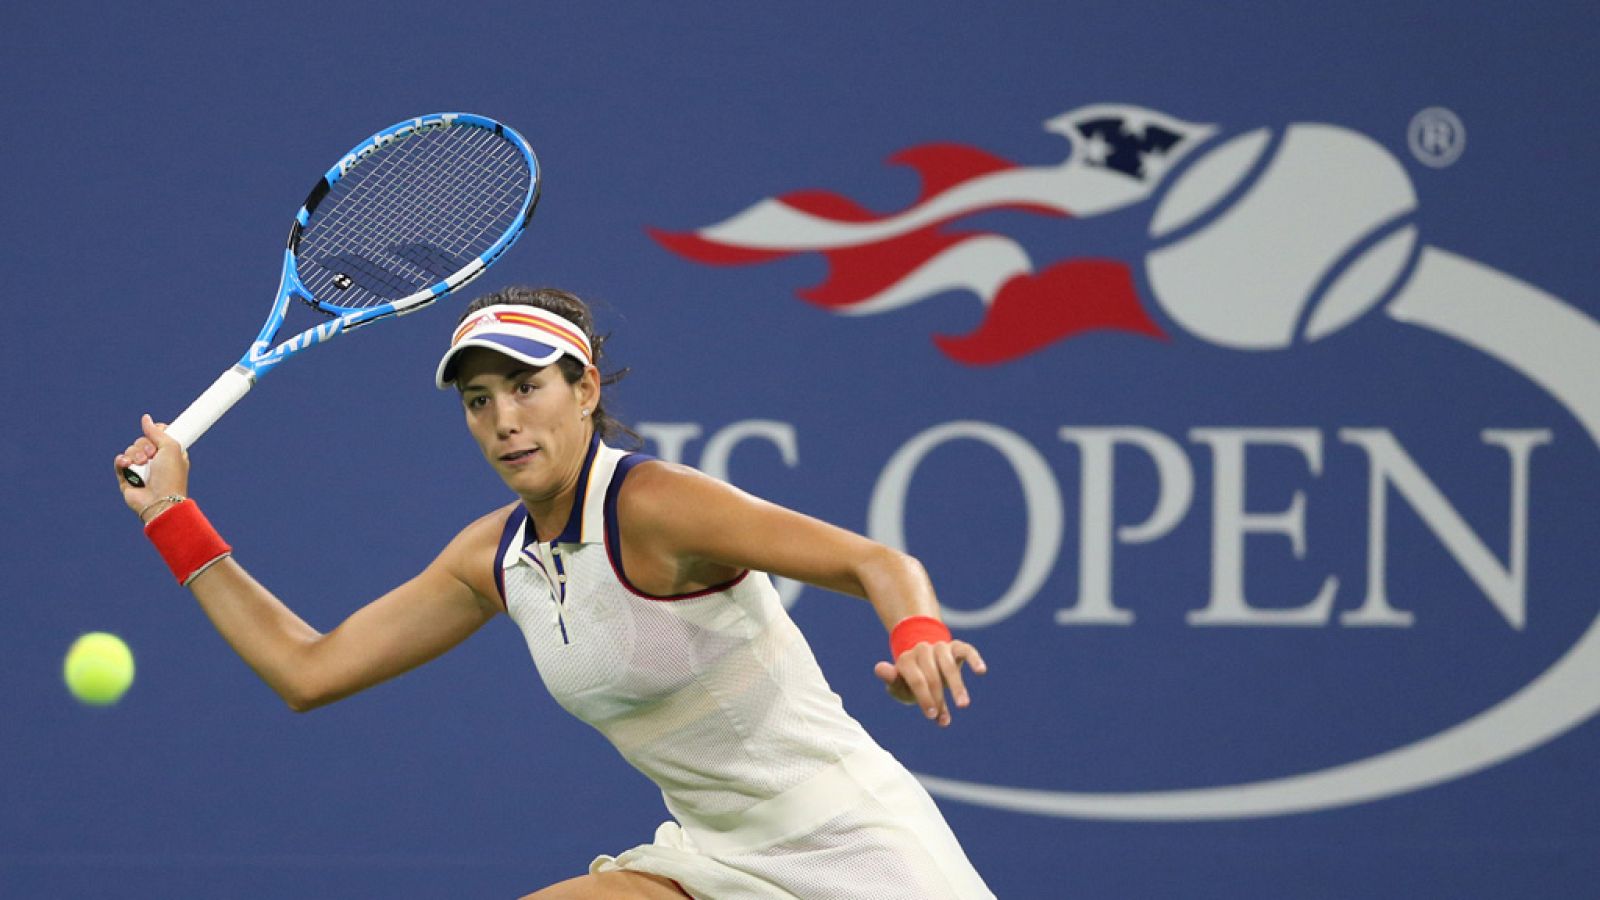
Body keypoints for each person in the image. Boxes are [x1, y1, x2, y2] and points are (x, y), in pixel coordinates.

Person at [115, 285, 994, 899]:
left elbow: (877, 563)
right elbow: (308, 670)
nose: (504, 420)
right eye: (478, 399)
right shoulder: (490, 560)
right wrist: (171, 516)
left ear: (585, 391)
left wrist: (916, 630)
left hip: (855, 849)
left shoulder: (658, 506)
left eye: (528, 387)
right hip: (715, 860)